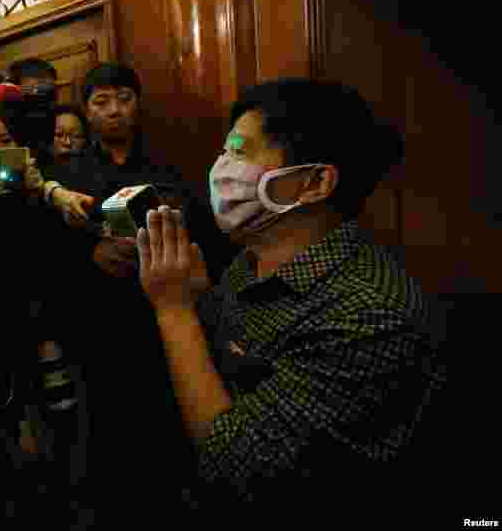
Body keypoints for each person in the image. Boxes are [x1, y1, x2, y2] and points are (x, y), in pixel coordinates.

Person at [134, 78, 444, 522]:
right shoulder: (252, 258)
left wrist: (173, 310)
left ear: (315, 182)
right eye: (224, 152)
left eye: (240, 152)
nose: (220, 169)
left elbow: (232, 466)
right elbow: (226, 361)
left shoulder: (367, 314)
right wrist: (197, 299)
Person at [44, 61, 237, 525]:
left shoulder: (169, 166)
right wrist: (91, 256)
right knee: (106, 436)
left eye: (124, 98)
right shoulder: (64, 176)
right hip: (100, 326)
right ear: (87, 110)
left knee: (169, 433)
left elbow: (207, 238)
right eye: (101, 101)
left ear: (138, 103)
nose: (114, 110)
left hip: (166, 324)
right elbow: (44, 258)